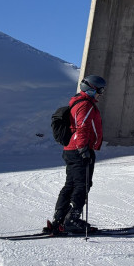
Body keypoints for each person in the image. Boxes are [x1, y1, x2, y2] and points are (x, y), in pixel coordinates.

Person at [49, 75, 106, 234]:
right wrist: (83, 149)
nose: (102, 93)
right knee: (82, 185)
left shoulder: (79, 102)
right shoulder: (85, 105)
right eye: (100, 90)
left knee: (72, 185)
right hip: (79, 150)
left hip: (72, 149)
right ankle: (72, 220)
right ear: (92, 89)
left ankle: (60, 219)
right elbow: (82, 127)